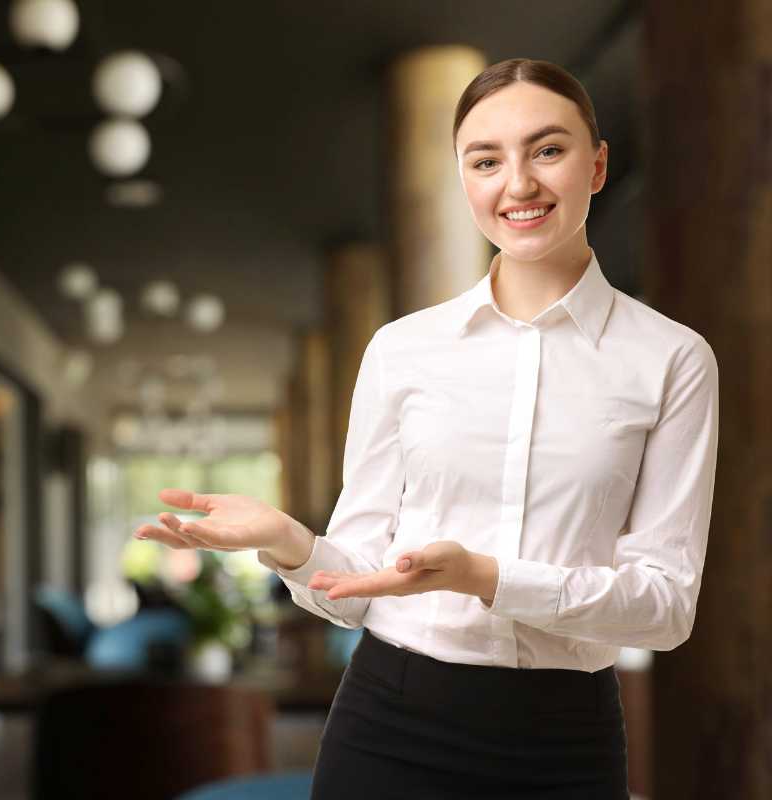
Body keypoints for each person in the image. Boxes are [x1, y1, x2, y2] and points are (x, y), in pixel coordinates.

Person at [133, 57, 719, 800]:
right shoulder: (402, 349)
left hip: (563, 735)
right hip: (391, 719)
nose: (519, 184)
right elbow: (353, 590)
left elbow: (666, 609)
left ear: (597, 165)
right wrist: (289, 542)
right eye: (485, 160)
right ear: (464, 181)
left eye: (548, 149)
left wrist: (488, 578)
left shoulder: (672, 359)